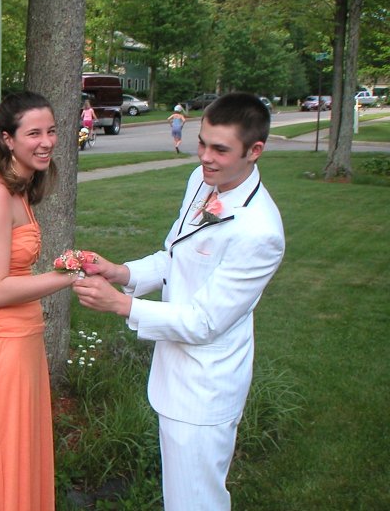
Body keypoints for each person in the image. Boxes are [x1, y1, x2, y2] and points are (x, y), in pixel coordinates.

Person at [73, 92, 285, 511]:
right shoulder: (201, 181)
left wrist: (121, 305)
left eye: (220, 149)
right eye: (202, 142)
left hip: (206, 388)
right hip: (175, 378)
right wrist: (120, 272)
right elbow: (173, 256)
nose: (204, 156)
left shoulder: (261, 232)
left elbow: (205, 321)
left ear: (255, 151)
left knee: (195, 502)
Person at [0, 91, 78, 511]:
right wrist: (66, 276)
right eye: (34, 133)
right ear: (7, 139)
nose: (47, 142)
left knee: (19, 461)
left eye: (51, 131)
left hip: (22, 343)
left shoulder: (19, 190)